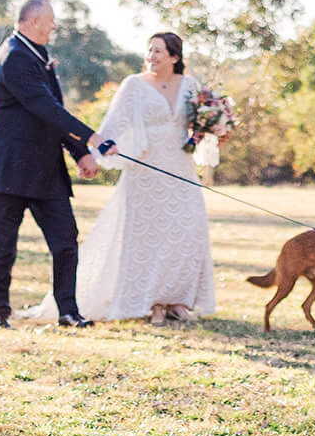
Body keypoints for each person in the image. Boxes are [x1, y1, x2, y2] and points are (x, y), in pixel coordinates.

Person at [0, 0, 109, 331]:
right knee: (4, 244)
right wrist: (92, 139)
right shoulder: (13, 57)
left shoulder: (40, 54)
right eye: (50, 19)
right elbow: (45, 108)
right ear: (32, 21)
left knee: (65, 240)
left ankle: (68, 311)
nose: (54, 26)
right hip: (7, 168)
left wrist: (80, 154)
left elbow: (52, 114)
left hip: (46, 171)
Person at [69, 31, 224, 322]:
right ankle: (151, 301)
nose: (151, 57)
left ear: (174, 57)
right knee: (148, 235)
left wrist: (213, 125)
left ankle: (179, 300)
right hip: (145, 169)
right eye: (149, 51)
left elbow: (199, 122)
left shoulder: (190, 85)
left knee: (186, 230)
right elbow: (113, 123)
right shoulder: (134, 86)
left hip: (180, 166)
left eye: (158, 52)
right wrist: (96, 153)